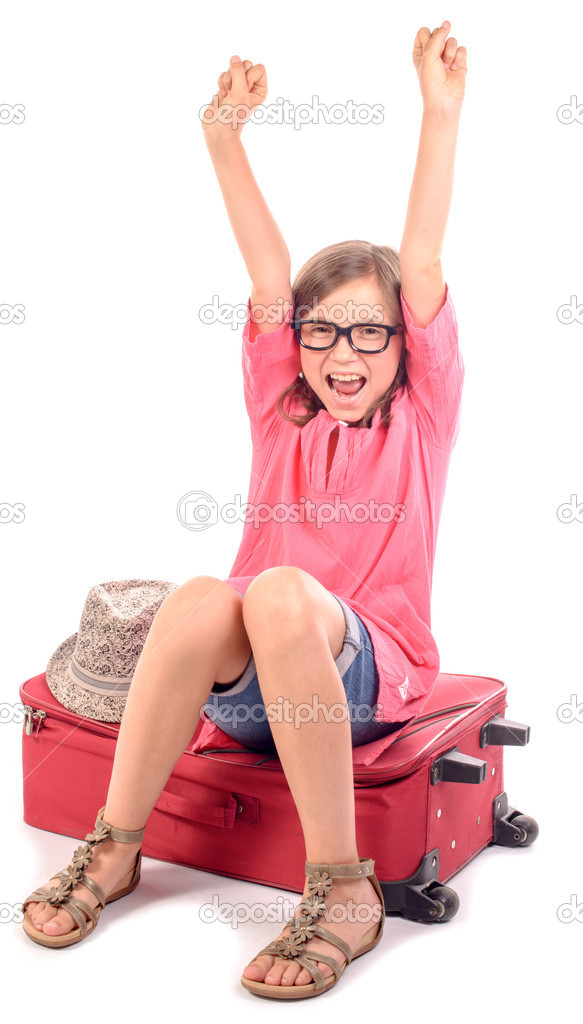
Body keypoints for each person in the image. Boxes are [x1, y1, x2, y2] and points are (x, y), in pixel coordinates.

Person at [22, 20, 467, 1000]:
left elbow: (421, 263)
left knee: (273, 593)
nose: (343, 351)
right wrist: (224, 134)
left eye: (369, 332)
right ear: (296, 343)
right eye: (322, 331)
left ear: (403, 348)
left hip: (358, 684)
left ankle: (343, 890)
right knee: (199, 595)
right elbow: (269, 277)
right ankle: (116, 845)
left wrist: (438, 113)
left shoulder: (418, 418)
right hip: (252, 695)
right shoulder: (283, 409)